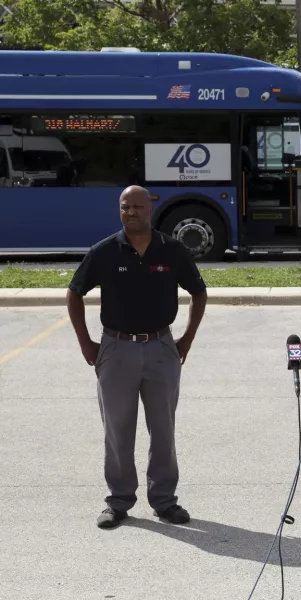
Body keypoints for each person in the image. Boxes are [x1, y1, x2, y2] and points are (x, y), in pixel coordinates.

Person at [66, 185, 208, 530]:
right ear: (120, 211)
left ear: (150, 208)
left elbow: (199, 292)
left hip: (161, 348)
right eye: (125, 206)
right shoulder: (104, 251)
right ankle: (118, 501)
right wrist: (86, 342)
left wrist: (186, 339)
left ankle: (164, 501)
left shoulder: (171, 250)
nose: (132, 211)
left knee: (163, 429)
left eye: (138, 206)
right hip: (115, 349)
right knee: (117, 430)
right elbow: (74, 293)